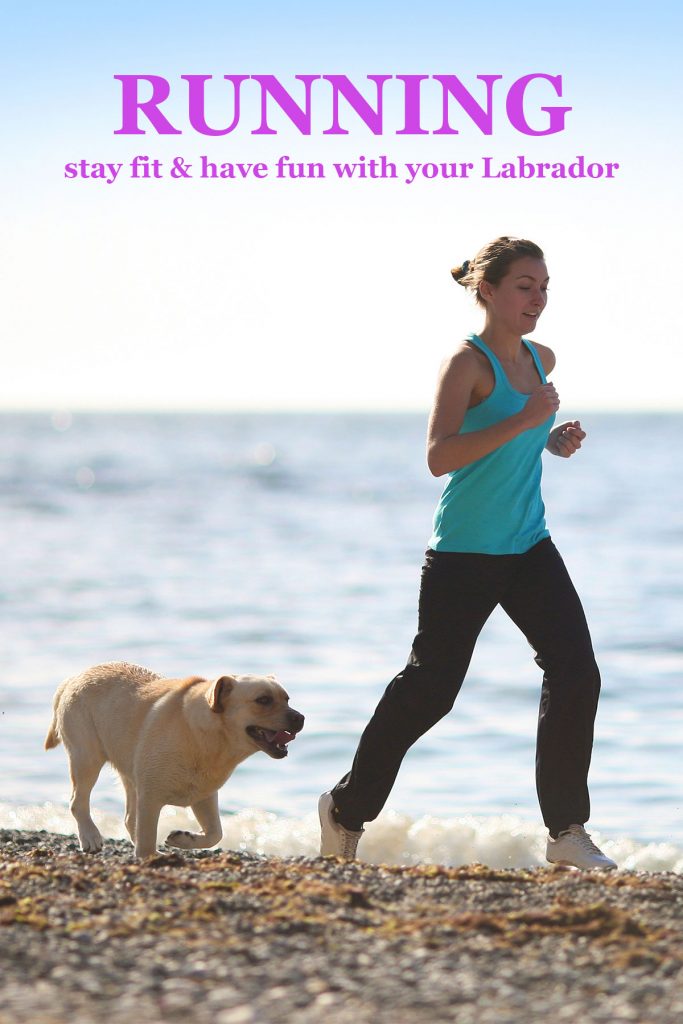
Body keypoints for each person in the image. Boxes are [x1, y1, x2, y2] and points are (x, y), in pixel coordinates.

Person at [319, 236, 616, 870]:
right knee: (431, 690)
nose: (537, 298)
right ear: (487, 290)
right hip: (464, 552)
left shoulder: (541, 359)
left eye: (543, 286)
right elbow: (439, 457)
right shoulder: (467, 364)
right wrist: (523, 421)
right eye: (524, 286)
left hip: (529, 542)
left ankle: (566, 832)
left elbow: (512, 443)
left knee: (575, 672)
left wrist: (549, 439)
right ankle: (345, 809)